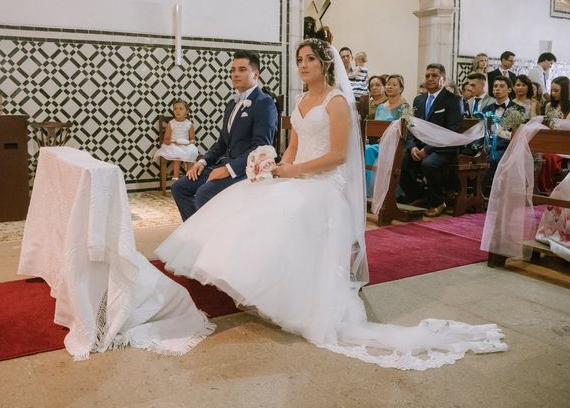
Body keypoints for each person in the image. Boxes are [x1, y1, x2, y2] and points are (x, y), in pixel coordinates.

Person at [156, 39, 506, 370]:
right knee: (246, 198)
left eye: (310, 59)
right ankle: (256, 284)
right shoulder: (300, 101)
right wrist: (279, 169)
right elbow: (292, 146)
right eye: (300, 60)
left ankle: (294, 296)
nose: (304, 65)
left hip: (324, 182)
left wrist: (295, 171)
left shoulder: (336, 102)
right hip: (297, 174)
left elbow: (337, 156)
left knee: (287, 211)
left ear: (325, 64)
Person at [170, 50, 278, 221]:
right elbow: (222, 143)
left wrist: (229, 170)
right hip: (223, 164)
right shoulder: (231, 104)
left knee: (203, 193)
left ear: (255, 74)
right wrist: (202, 161)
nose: (235, 74)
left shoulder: (264, 102)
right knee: (179, 187)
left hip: (244, 170)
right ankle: (197, 234)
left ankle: (212, 239)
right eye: (232, 70)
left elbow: (261, 147)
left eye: (242, 70)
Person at [399, 63, 463, 217]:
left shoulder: (454, 100)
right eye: (427, 75)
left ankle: (439, 201)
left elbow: (451, 131)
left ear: (443, 78)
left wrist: (427, 150)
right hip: (419, 146)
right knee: (401, 160)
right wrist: (412, 147)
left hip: (444, 148)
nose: (430, 78)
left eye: (434, 75)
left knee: (429, 163)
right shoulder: (419, 100)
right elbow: (412, 127)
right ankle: (419, 196)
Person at [364, 74, 408, 197]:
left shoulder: (405, 107)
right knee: (365, 149)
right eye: (388, 84)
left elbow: (406, 130)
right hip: (379, 143)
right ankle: (368, 189)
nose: (390, 87)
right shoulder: (380, 107)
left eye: (394, 85)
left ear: (401, 89)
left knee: (368, 150)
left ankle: (376, 191)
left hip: (395, 145)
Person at [482, 76, 526, 194]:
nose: (497, 89)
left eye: (502, 86)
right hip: (486, 145)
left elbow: (513, 133)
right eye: (495, 86)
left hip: (506, 147)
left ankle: (482, 193)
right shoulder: (487, 109)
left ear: (509, 90)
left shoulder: (517, 108)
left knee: (493, 158)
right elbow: (484, 130)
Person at [154, 99, 198, 180]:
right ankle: (175, 178)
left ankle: (189, 178)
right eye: (175, 108)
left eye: (181, 109)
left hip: (185, 145)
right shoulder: (171, 123)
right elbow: (166, 140)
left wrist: (188, 143)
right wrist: (173, 142)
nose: (178, 111)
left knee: (192, 152)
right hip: (173, 145)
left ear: (187, 111)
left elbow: (192, 139)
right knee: (177, 155)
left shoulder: (189, 124)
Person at [539, 76, 570, 192]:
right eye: (551, 90)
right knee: (535, 154)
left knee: (548, 157)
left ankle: (546, 188)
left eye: (556, 91)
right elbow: (546, 125)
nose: (553, 94)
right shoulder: (549, 106)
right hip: (549, 140)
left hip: (564, 143)